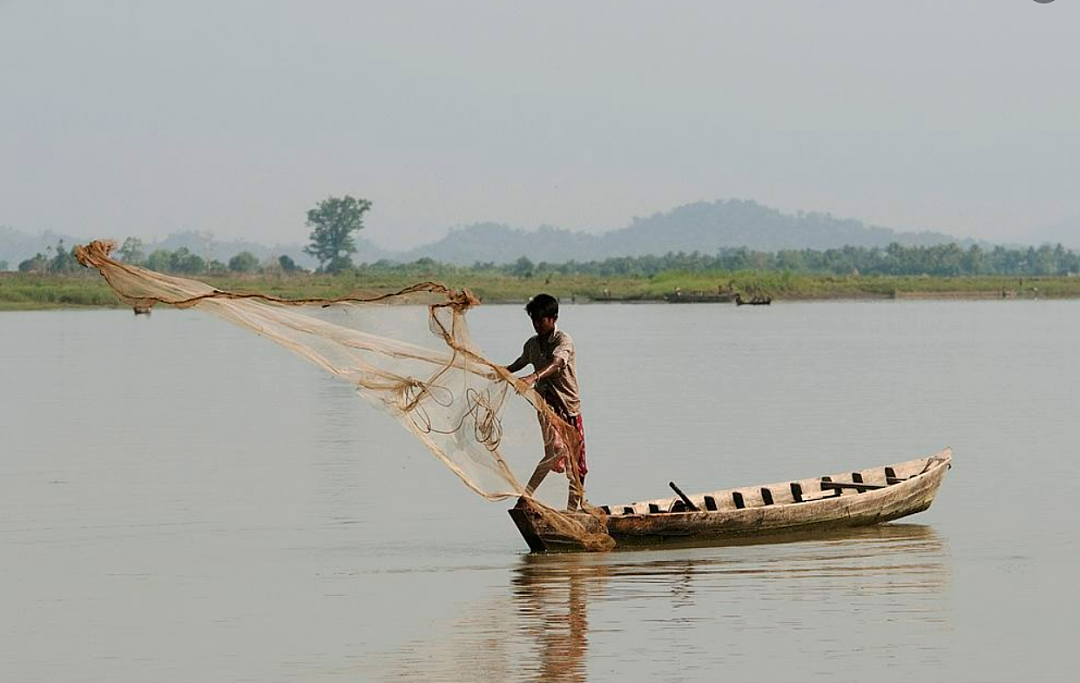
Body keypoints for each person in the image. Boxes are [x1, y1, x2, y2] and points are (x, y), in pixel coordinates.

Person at [505, 294, 587, 510]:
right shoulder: (532, 344)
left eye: (541, 321)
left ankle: (573, 513)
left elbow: (557, 363)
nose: (537, 325)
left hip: (569, 406)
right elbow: (519, 363)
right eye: (534, 321)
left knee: (577, 467)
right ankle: (525, 499)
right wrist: (499, 371)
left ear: (553, 318)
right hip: (546, 404)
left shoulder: (563, 340)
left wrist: (533, 377)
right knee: (556, 448)